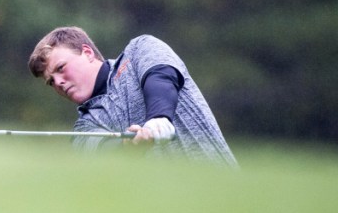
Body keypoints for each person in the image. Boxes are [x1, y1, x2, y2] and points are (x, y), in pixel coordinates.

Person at [28, 26, 237, 166]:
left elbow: (161, 76)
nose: (58, 82)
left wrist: (159, 118)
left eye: (61, 68)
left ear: (88, 53)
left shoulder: (140, 49)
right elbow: (103, 154)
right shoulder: (83, 130)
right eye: (51, 81)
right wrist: (129, 146)